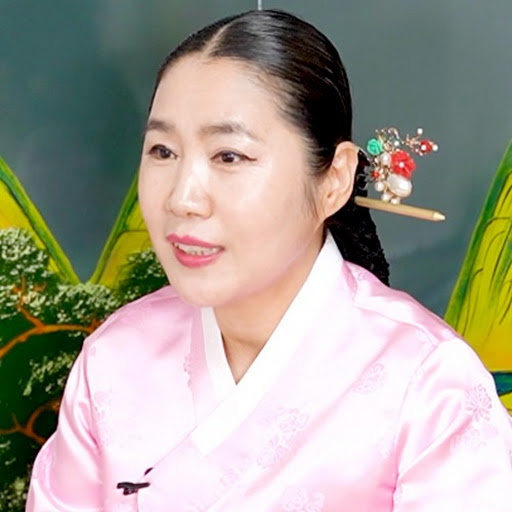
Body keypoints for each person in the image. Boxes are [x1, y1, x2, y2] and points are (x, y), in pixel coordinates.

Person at [27, 9, 512, 511]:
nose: (182, 198)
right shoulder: (115, 358)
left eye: (229, 156)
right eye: (163, 151)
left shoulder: (428, 383)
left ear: (334, 180)